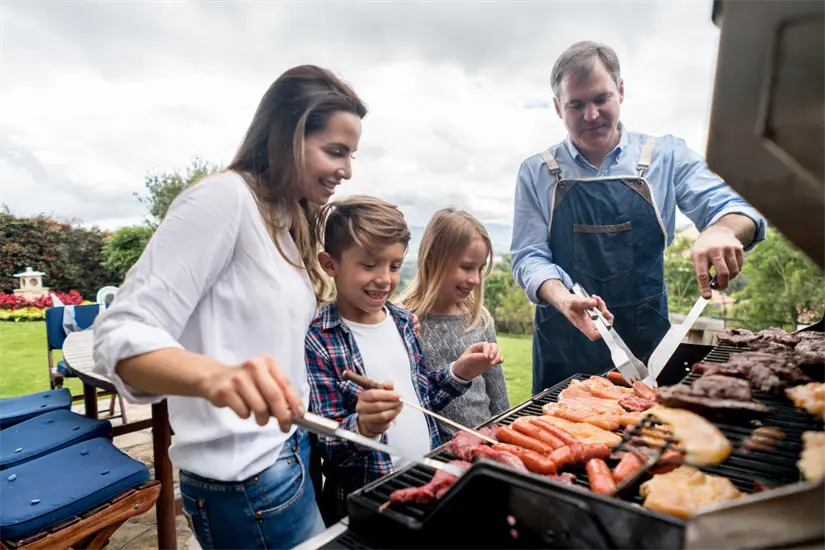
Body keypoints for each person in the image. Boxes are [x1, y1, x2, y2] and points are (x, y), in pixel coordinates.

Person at [92, 65, 367, 549]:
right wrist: (215, 377)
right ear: (287, 137)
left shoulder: (284, 219)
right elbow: (120, 333)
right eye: (335, 151)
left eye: (351, 154)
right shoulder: (223, 199)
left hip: (285, 456)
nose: (347, 169)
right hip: (243, 483)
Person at [510, 41, 767, 393]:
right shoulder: (537, 171)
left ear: (620, 91)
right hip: (563, 340)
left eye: (601, 99)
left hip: (649, 343)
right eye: (576, 104)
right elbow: (528, 256)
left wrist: (722, 230)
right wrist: (562, 297)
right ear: (557, 107)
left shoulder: (665, 155)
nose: (591, 115)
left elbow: (737, 210)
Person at [305, 195, 503, 524]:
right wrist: (364, 427)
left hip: (425, 479)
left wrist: (460, 371)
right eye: (369, 265)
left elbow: (423, 398)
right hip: (371, 499)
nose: (385, 278)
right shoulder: (320, 339)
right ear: (330, 264)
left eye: (394, 265)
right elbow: (329, 447)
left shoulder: (401, 322)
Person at [400, 207, 510, 441]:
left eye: (480, 269)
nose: (475, 279)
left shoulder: (479, 319)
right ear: (433, 259)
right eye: (467, 267)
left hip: (483, 443)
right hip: (434, 452)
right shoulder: (404, 321)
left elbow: (497, 392)